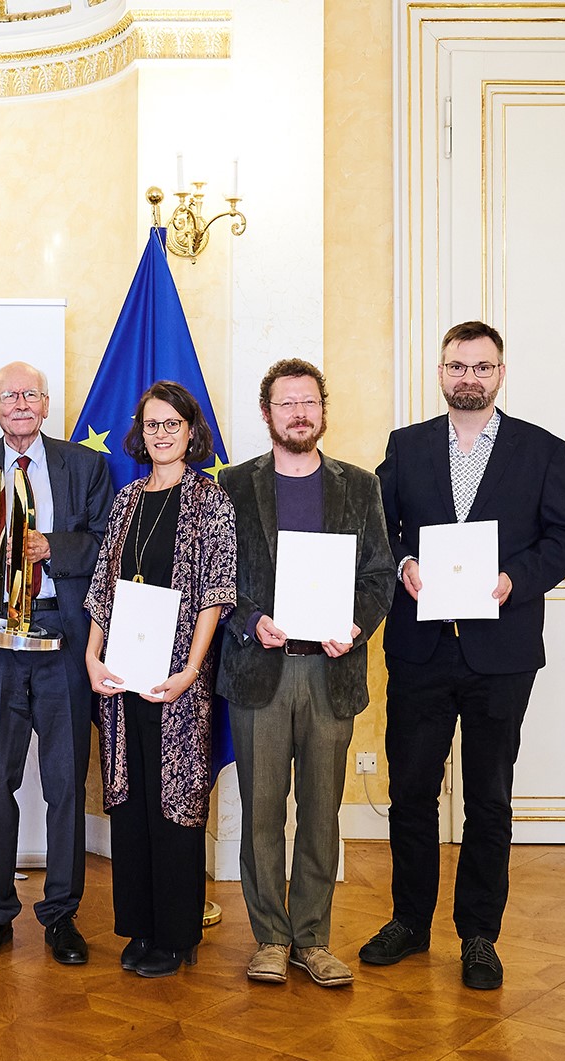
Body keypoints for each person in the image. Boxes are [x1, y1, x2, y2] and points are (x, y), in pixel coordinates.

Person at [362, 320, 565, 990]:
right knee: (411, 795)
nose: (470, 378)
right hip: (421, 649)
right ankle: (409, 923)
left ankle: (480, 935)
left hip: (502, 651)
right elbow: (380, 525)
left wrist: (516, 579)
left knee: (488, 798)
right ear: (440, 372)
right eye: (458, 366)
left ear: (500, 372)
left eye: (482, 367)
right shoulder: (406, 448)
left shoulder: (542, 450)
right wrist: (403, 561)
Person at [216, 359, 395, 988]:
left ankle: (312, 939)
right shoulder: (232, 486)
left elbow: (379, 576)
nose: (299, 413)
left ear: (323, 409)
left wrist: (355, 625)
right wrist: (250, 619)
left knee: (321, 813)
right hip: (259, 670)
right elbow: (214, 577)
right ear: (266, 414)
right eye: (286, 403)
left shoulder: (360, 486)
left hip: (331, 672)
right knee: (262, 812)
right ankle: (269, 936)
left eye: (310, 402)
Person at [0, 361, 110, 966]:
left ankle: (61, 915)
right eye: (8, 395)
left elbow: (102, 542)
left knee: (67, 785)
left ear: (46, 404)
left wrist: (51, 547)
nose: (20, 403)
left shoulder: (83, 465)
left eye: (30, 394)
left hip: (63, 642)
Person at [84, 379, 236, 978]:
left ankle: (176, 933)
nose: (162, 434)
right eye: (152, 425)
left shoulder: (209, 500)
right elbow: (102, 589)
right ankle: (139, 925)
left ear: (191, 431)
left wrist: (191, 671)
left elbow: (216, 595)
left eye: (173, 424)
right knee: (131, 797)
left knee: (176, 804)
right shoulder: (125, 500)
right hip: (121, 678)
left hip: (180, 682)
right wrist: (93, 659)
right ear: (139, 433)